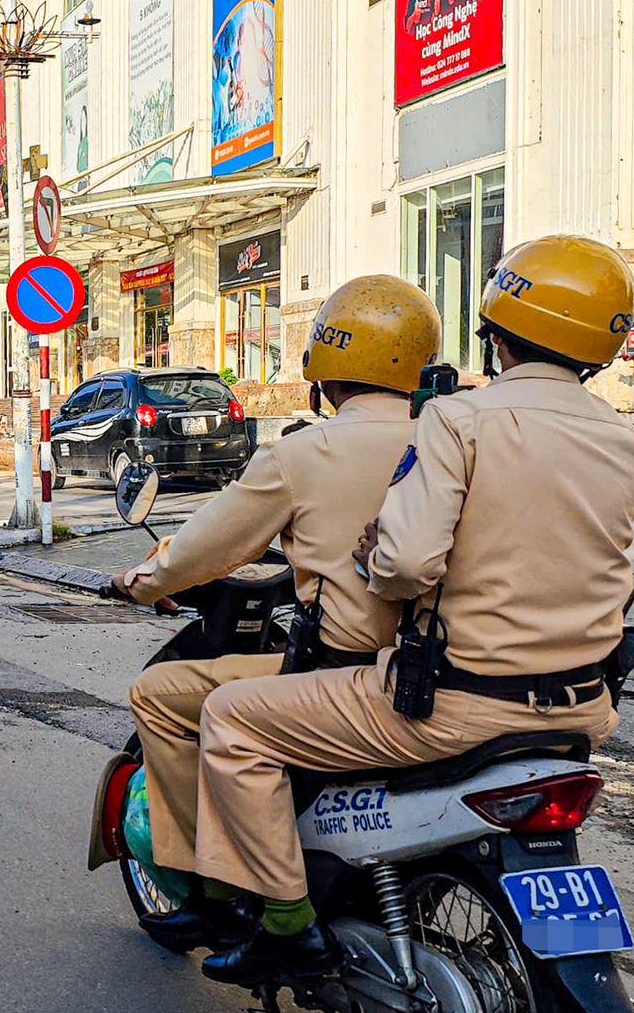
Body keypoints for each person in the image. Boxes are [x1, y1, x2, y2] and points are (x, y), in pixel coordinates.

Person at [192, 235, 634, 987]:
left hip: (457, 705)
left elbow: (405, 565)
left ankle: (286, 928)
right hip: (580, 710)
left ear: (498, 328)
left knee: (233, 718)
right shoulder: (625, 441)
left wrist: (376, 550)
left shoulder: (460, 420)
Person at [110, 277, 442, 949]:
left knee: (161, 694)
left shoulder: (301, 453)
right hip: (434, 667)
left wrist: (141, 582)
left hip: (340, 675)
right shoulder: (455, 442)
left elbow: (203, 549)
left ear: (322, 370)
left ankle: (213, 883)